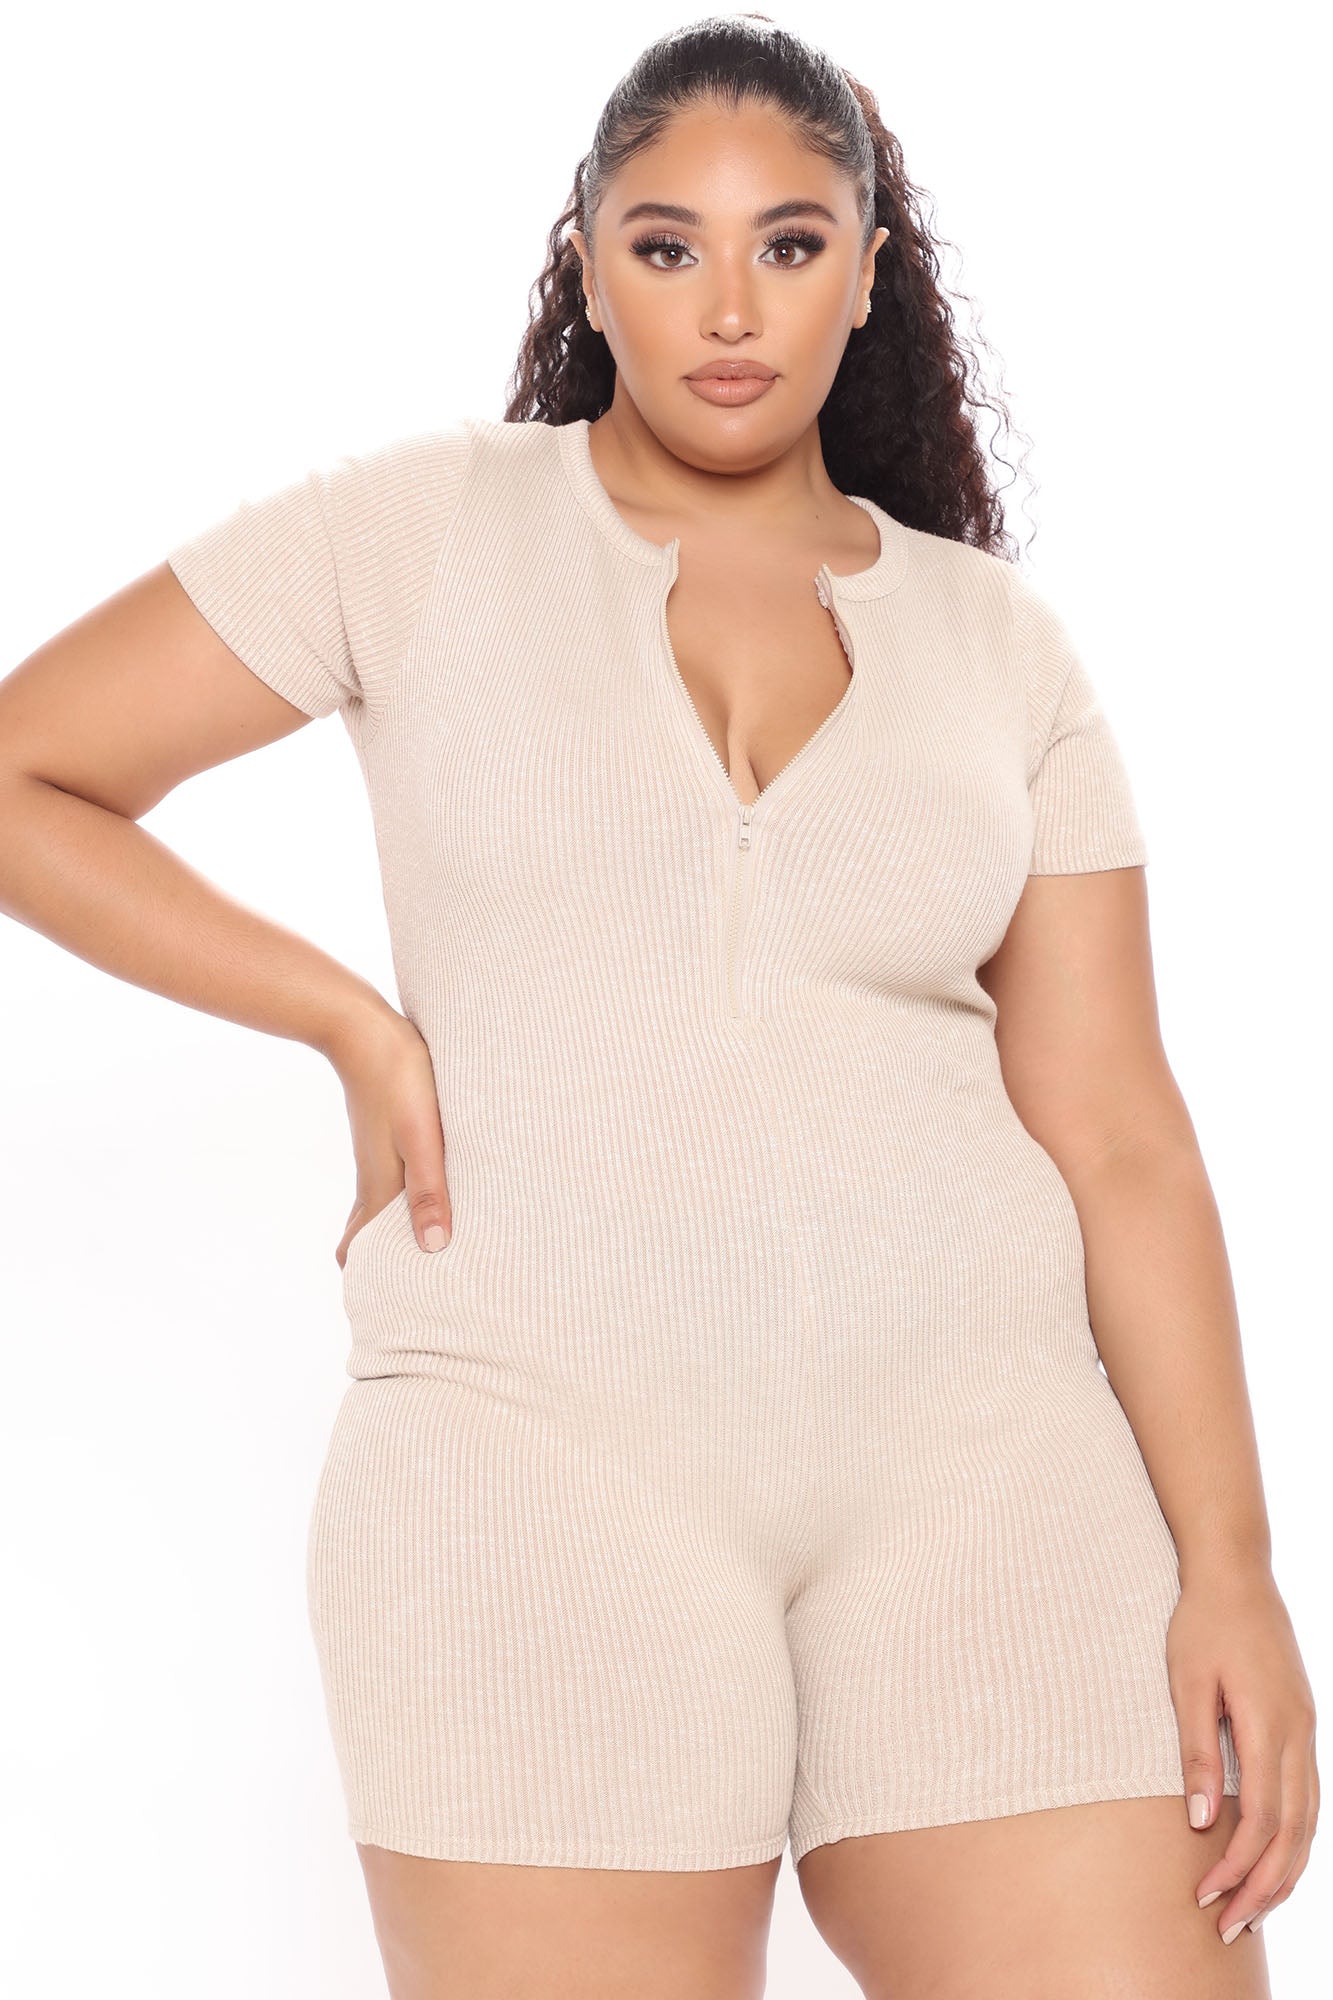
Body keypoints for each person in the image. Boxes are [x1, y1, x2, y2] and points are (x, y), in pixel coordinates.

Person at [0, 14, 1316, 1998]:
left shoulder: (1000, 647)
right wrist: (346, 1020)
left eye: (789, 244)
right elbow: (28, 772)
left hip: (990, 1484)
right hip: (534, 1475)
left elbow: (1120, 1131)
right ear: (589, 265)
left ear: (866, 274)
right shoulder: (416, 531)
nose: (727, 305)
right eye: (665, 244)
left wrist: (1231, 1566)